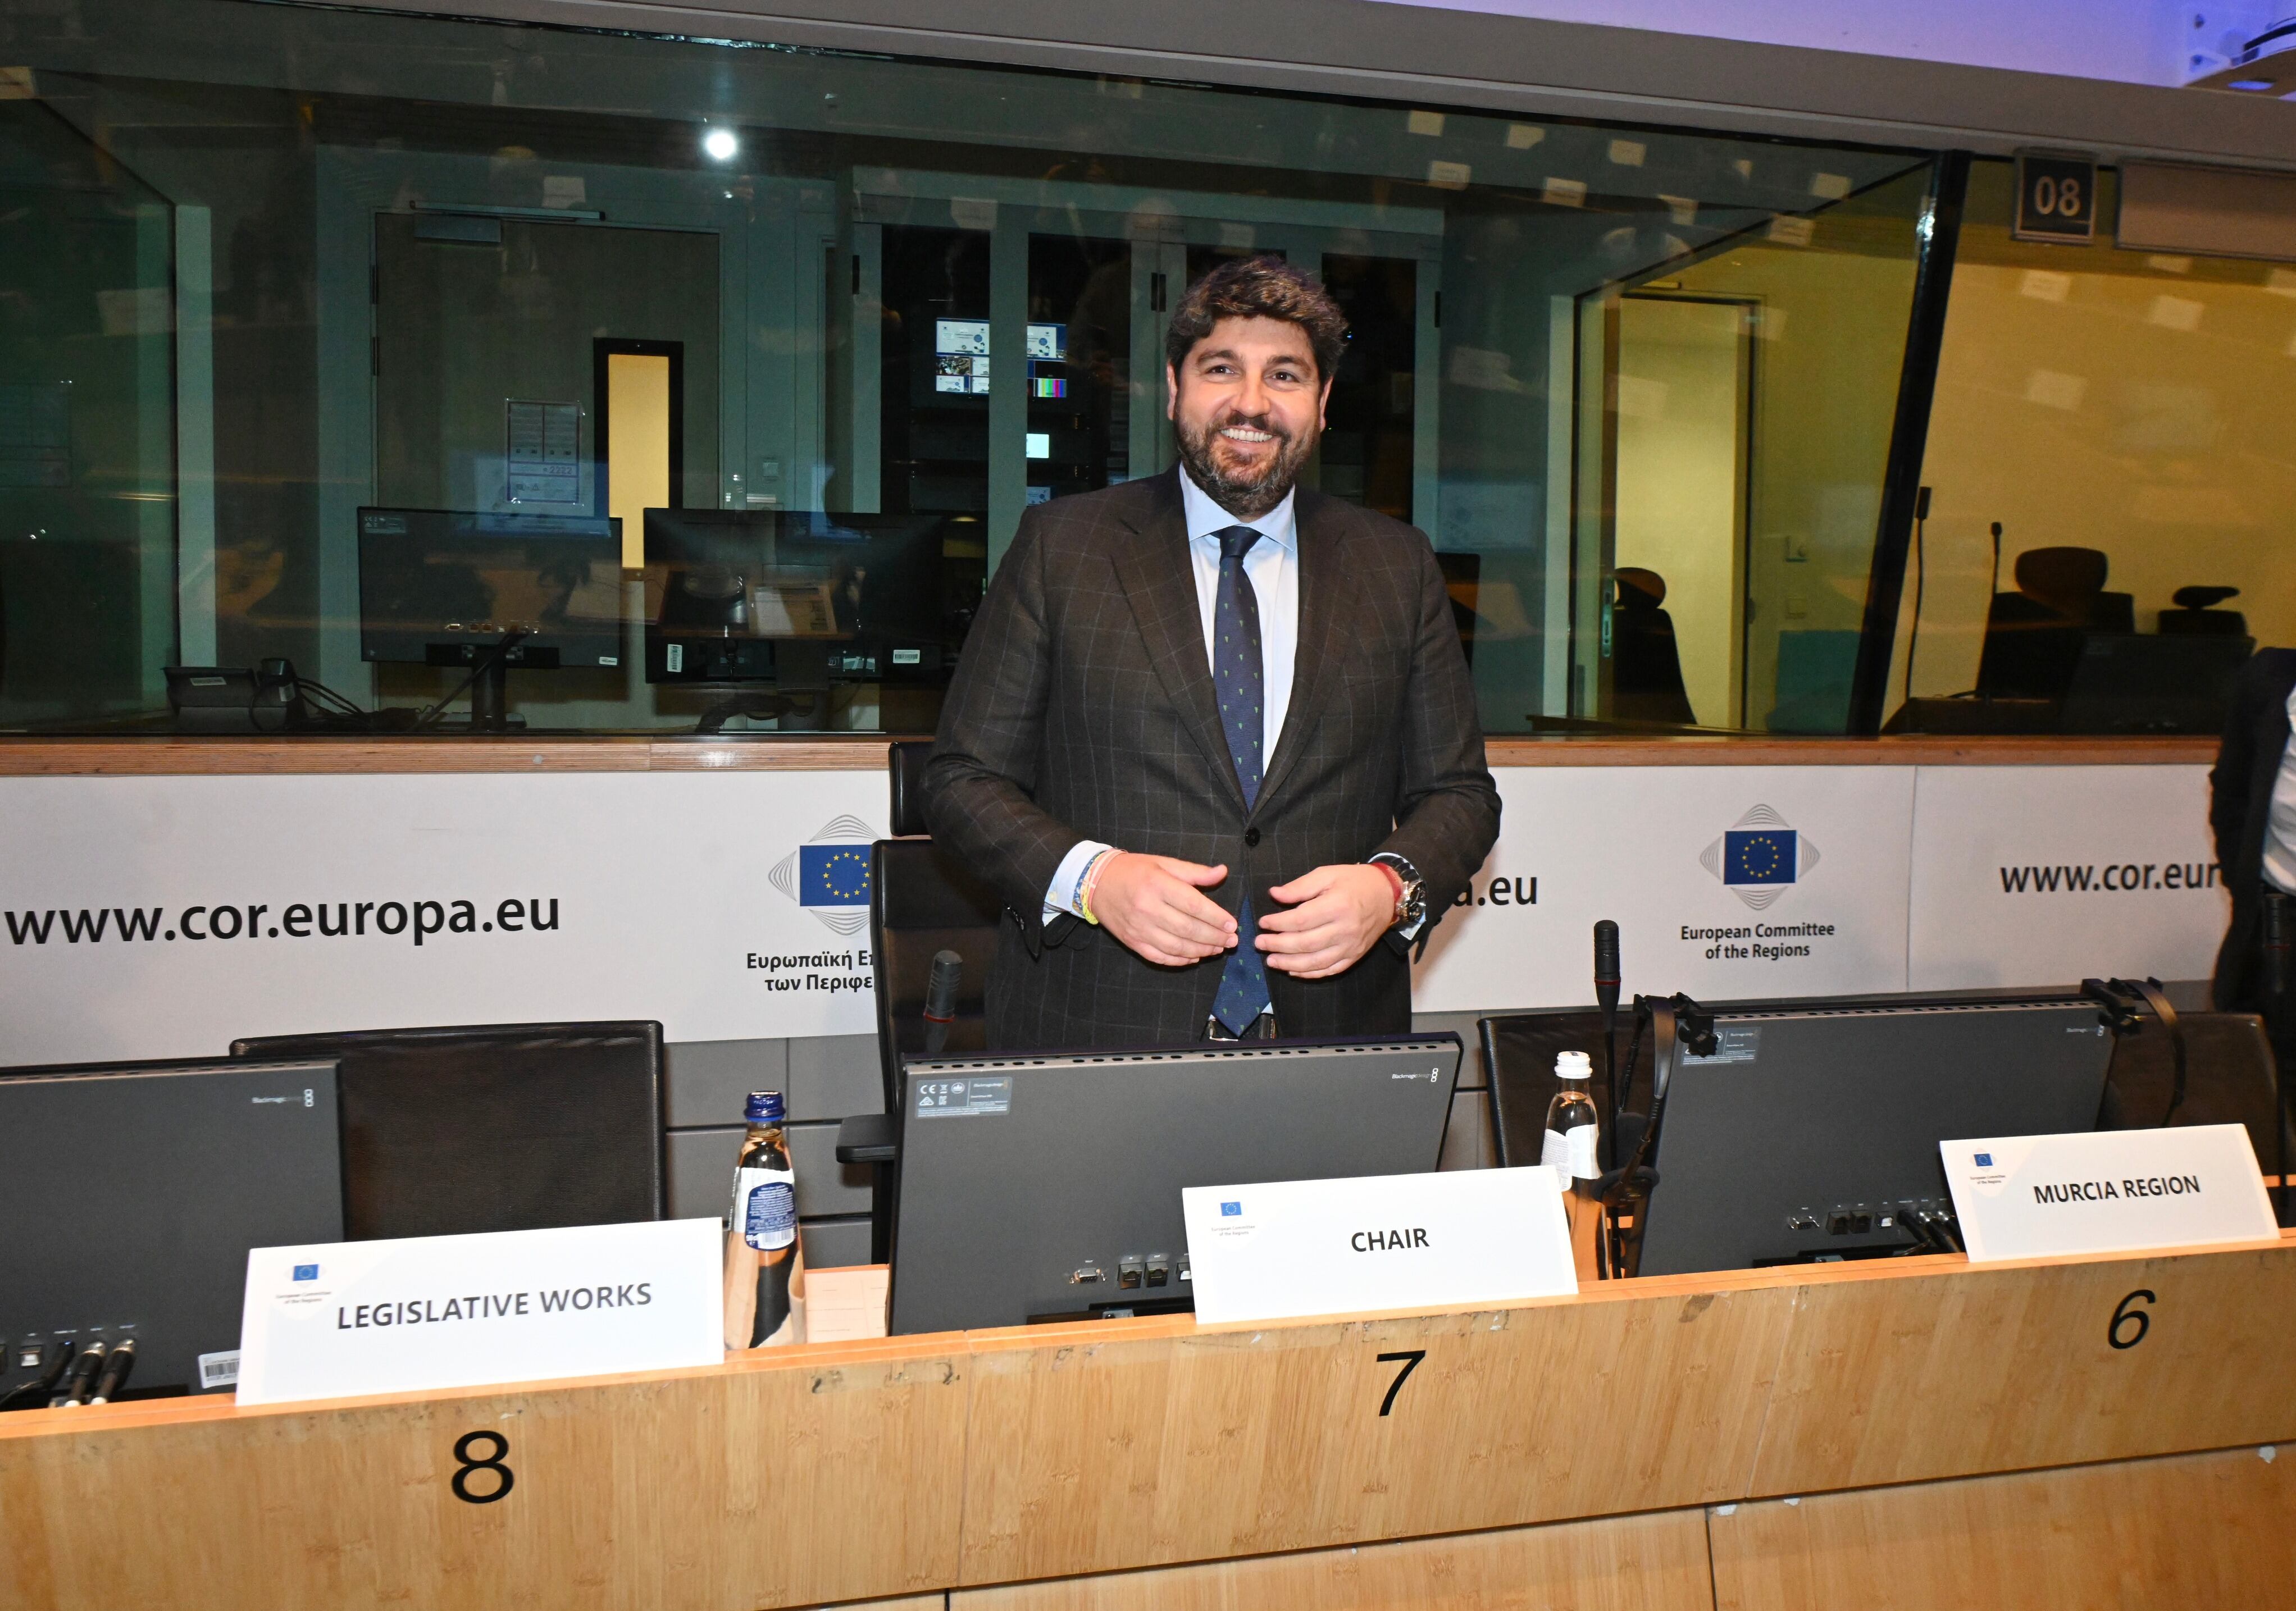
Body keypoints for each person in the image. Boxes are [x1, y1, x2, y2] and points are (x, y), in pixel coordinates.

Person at [921, 257, 1500, 1049]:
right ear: (1174, 388)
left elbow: (1461, 795)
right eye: (1221, 368)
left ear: (1323, 403)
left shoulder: (1395, 565)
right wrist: (1093, 880)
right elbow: (962, 780)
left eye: (1286, 375)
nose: (1251, 403)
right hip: (1099, 1028)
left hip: (1330, 1035)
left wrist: (1389, 887)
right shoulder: (1066, 548)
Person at [2210, 645, 2296, 1016]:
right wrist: (2247, 887)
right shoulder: (2270, 679)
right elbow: (2232, 791)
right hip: (2277, 912)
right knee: (2270, 1054)